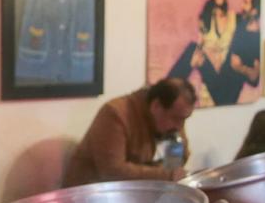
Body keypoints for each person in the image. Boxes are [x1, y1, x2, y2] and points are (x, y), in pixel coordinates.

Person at [62, 78, 196, 187]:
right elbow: (112, 171)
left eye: (184, 119)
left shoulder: (171, 123)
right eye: (176, 118)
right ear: (156, 106)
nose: (180, 126)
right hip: (90, 197)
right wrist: (167, 175)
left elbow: (174, 165)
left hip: (136, 196)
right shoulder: (116, 113)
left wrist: (174, 153)